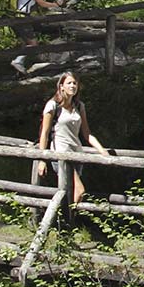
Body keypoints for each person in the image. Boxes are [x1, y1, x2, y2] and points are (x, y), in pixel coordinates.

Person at [37, 72, 104, 206]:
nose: (72, 86)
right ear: (61, 86)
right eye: (69, 83)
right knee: (80, 191)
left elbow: (87, 134)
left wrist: (103, 151)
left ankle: (67, 222)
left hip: (77, 154)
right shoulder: (53, 105)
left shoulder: (79, 106)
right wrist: (42, 159)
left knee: (70, 192)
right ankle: (66, 220)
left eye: (75, 83)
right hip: (61, 155)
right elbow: (44, 133)